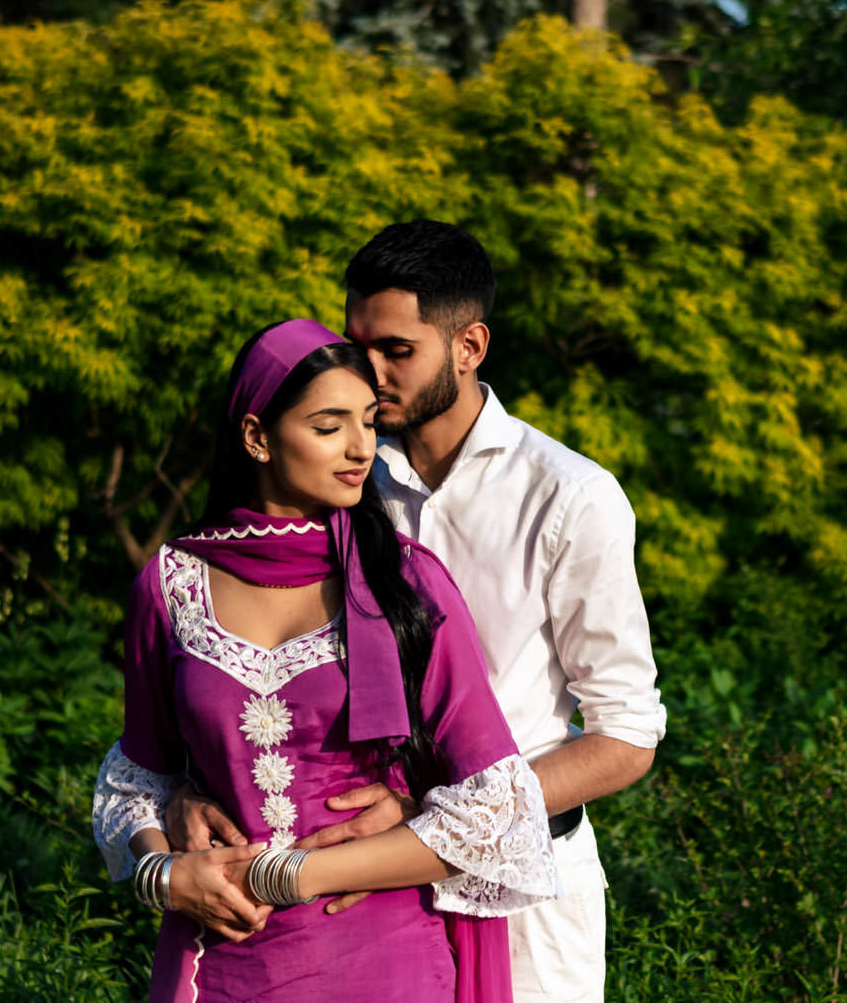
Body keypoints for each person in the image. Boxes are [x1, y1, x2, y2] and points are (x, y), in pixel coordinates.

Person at [169, 223, 666, 1003]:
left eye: (397, 350)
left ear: (469, 346)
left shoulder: (568, 496)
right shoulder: (338, 474)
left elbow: (627, 736)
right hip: (349, 895)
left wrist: (430, 814)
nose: (367, 370)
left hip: (525, 891)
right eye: (356, 342)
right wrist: (189, 788)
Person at [91, 318, 559, 1003]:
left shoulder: (406, 585)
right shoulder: (170, 586)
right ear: (256, 437)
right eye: (329, 425)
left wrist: (288, 874)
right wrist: (162, 875)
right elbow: (140, 777)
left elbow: (492, 807)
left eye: (369, 421)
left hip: (386, 956)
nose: (360, 447)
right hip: (221, 959)